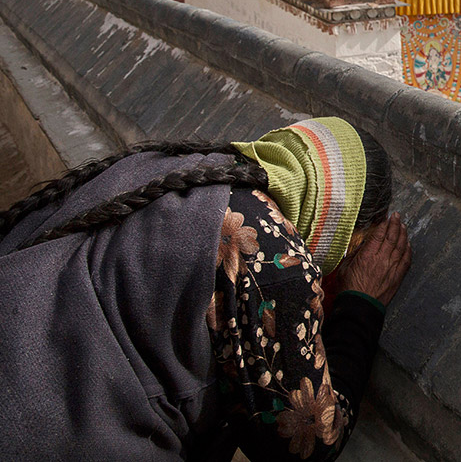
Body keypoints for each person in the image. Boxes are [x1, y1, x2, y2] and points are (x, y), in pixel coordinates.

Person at [0, 117, 411, 461]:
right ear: (343, 230)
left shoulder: (185, 169)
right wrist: (360, 304)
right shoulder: (273, 258)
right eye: (352, 248)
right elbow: (310, 439)